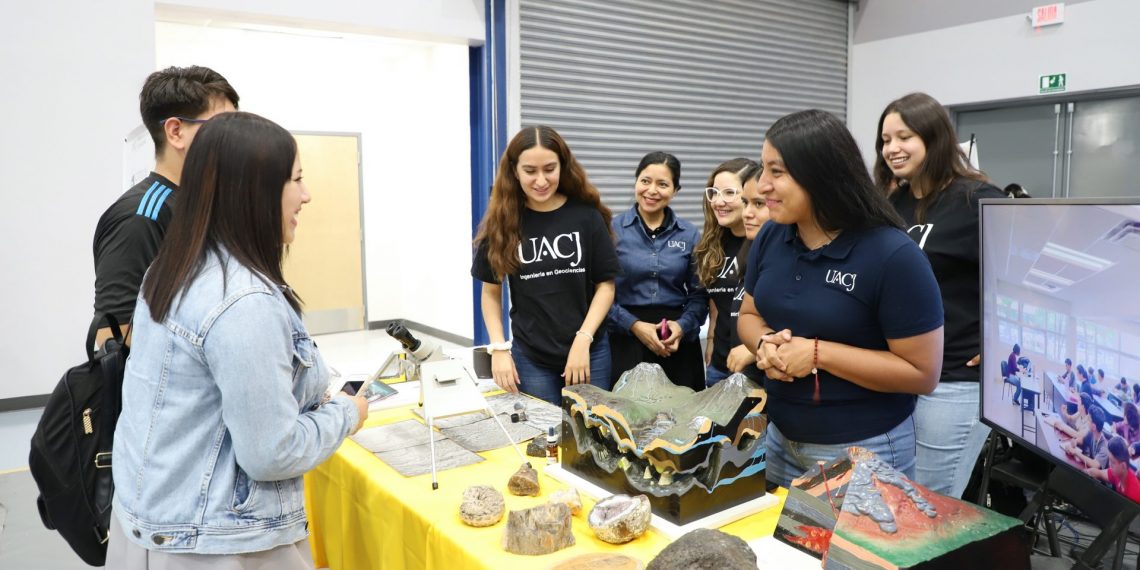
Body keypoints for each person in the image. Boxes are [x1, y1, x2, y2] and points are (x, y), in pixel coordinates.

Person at [108, 112, 368, 565]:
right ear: (255, 193)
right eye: (297, 181)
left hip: (155, 520)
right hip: (220, 541)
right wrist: (348, 412)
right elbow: (272, 453)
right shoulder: (242, 302)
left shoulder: (172, 268)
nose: (306, 196)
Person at [737, 109, 945, 488]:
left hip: (860, 450)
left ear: (821, 175)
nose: (761, 185)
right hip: (781, 437)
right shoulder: (773, 237)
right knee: (787, 550)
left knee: (846, 551)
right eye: (763, 169)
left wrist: (817, 354)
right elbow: (749, 314)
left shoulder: (891, 255)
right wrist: (764, 342)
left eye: (776, 172)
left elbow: (922, 373)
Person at [874, 92, 1007, 498]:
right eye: (885, 140)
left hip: (954, 379)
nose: (892, 149)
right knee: (896, 498)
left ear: (935, 139)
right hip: (898, 371)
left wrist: (1002, 339)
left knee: (928, 503)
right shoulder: (890, 203)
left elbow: (1023, 280)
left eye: (904, 137)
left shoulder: (977, 200)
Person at [472, 126, 621, 405]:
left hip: (589, 350)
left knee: (591, 438)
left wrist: (583, 339)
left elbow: (606, 285)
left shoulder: (585, 216)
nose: (541, 180)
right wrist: (499, 349)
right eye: (530, 171)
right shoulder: (503, 222)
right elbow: (490, 293)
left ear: (563, 167)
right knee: (543, 437)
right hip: (532, 358)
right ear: (514, 171)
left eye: (549, 169)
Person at [92, 66, 239, 346]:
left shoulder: (199, 205)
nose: (233, 140)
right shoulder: (140, 216)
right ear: (175, 131)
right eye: (222, 127)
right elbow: (112, 333)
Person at [607, 152, 708, 390]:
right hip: (625, 338)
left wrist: (682, 327)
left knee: (681, 420)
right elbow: (597, 292)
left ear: (675, 190)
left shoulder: (689, 234)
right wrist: (634, 325)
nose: (652, 190)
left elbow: (699, 295)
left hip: (674, 341)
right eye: (645, 181)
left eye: (662, 184)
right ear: (636, 182)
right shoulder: (611, 230)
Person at [693, 158, 761, 387]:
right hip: (720, 367)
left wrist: (754, 349)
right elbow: (718, 301)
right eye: (713, 192)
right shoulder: (713, 244)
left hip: (758, 371)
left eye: (730, 193)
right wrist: (711, 338)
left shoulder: (766, 243)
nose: (718, 201)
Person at [1085, 436, 1140, 501]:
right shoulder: (1117, 473)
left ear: (1123, 466)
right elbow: (1098, 473)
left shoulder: (1135, 495)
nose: (1109, 464)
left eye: (1112, 462)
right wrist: (1083, 472)